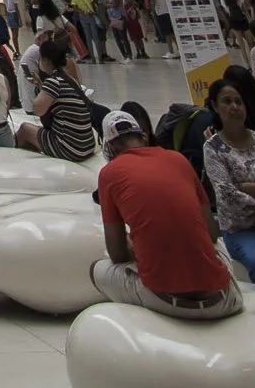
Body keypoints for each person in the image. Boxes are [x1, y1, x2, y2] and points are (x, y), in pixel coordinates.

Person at [91, 110, 242, 319]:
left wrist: (136, 246)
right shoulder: (178, 159)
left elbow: (117, 254)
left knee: (97, 269)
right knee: (216, 245)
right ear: (143, 136)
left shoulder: (109, 174)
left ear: (110, 146)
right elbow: (211, 233)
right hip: (221, 300)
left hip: (165, 300)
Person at [202, 77, 255, 286]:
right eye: (227, 101)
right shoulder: (213, 148)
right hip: (241, 228)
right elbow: (227, 196)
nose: (234, 107)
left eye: (238, 101)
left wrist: (246, 187)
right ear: (215, 106)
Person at [14, 43, 96, 160]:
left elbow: (37, 110)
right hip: (86, 144)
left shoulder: (53, 82)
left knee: (24, 129)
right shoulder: (70, 80)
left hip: (69, 147)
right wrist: (41, 85)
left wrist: (42, 89)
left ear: (46, 60)